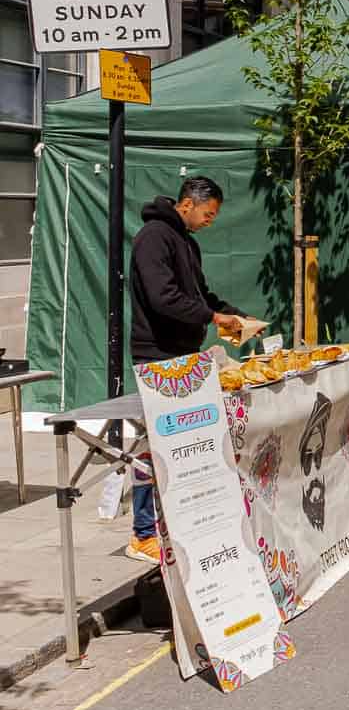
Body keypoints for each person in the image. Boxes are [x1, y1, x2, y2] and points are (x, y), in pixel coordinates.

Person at [127, 175, 244, 563]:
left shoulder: (187, 243)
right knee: (154, 444)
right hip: (158, 356)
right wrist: (213, 317)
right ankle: (143, 532)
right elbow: (164, 298)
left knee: (182, 444)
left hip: (184, 353)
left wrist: (230, 314)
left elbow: (198, 294)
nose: (210, 221)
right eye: (208, 213)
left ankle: (175, 524)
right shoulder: (153, 237)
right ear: (188, 204)